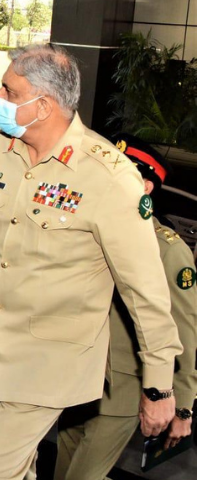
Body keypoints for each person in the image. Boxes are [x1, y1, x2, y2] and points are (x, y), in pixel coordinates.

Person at [0, 43, 182, 480]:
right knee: (14, 471)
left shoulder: (108, 177)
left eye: (9, 91)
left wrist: (159, 385)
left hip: (51, 364)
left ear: (45, 105)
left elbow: (144, 290)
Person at [54, 134, 197, 480]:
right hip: (71, 378)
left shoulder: (167, 251)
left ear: (146, 186)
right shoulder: (86, 231)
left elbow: (185, 332)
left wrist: (183, 407)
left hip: (120, 390)